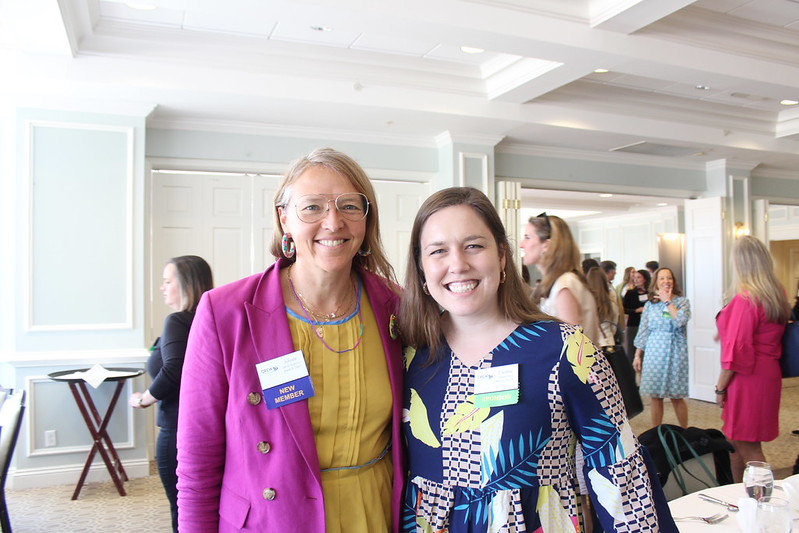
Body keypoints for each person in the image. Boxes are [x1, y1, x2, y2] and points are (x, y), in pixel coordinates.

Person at [399, 187, 677, 532]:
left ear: (502, 256)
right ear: (422, 267)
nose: (457, 264)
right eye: (438, 251)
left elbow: (621, 473)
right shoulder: (410, 355)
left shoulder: (566, 350)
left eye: (474, 245)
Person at [176, 148, 405, 532]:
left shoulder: (396, 306)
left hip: (374, 512)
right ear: (284, 219)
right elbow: (198, 460)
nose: (334, 222)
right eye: (312, 207)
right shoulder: (225, 312)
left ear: (366, 218)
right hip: (273, 519)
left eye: (349, 205)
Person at [129, 255, 214, 532]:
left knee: (183, 510)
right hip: (207, 425)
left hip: (177, 428)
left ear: (186, 284)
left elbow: (175, 371)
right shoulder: (212, 319)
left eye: (168, 282)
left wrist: (144, 399)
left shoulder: (178, 320)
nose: (162, 288)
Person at [715, 236, 790, 482]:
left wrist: (720, 387)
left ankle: (765, 504)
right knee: (736, 444)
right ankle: (742, 498)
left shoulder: (746, 300)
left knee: (749, 448)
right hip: (767, 373)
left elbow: (736, 352)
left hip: (748, 378)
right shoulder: (776, 294)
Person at [521, 213, 600, 345]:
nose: (522, 244)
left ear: (546, 245)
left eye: (528, 238)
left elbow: (571, 345)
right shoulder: (562, 282)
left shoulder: (565, 285)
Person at [633, 267, 692, 428]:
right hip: (654, 351)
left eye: (669, 278)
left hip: (675, 350)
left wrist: (667, 301)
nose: (666, 281)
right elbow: (644, 330)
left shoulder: (682, 302)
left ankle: (685, 431)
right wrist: (638, 355)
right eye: (662, 278)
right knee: (655, 396)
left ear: (674, 281)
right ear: (656, 283)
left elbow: (680, 320)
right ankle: (656, 432)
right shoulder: (650, 305)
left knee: (676, 395)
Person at [622, 269, 650, 363]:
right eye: (634, 278)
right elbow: (623, 309)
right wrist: (635, 310)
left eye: (638, 277)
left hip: (648, 326)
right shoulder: (630, 293)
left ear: (645, 279)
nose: (636, 280)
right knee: (632, 351)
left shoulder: (651, 293)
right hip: (634, 325)